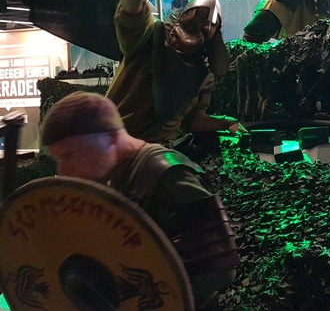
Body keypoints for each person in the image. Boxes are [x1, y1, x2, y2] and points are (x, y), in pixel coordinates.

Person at [42, 92, 240, 310]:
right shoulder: (117, 176)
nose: (63, 170)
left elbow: (218, 270)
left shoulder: (167, 176)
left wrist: (136, 292)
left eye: (70, 154)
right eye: (58, 158)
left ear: (109, 137)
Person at [105, 0, 247, 143]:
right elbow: (131, 10)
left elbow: (191, 119)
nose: (203, 24)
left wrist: (226, 122)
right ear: (184, 15)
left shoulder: (203, 72)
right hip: (116, 140)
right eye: (198, 16)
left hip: (159, 147)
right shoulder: (152, 36)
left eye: (210, 24)